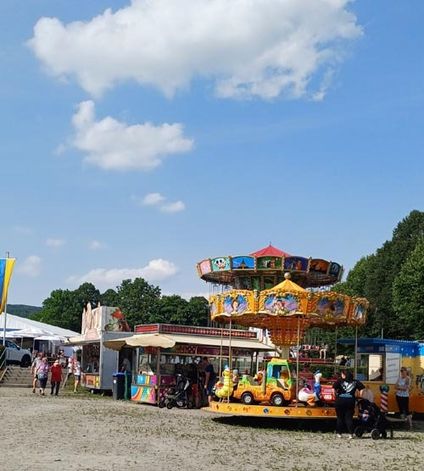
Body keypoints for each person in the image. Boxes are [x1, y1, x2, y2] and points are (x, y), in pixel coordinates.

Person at [333, 370, 365, 438]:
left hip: (340, 401)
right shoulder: (355, 382)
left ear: (345, 375)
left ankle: (339, 433)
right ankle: (351, 434)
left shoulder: (340, 381)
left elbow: (333, 389)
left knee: (340, 418)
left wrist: (335, 396)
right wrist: (360, 396)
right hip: (350, 401)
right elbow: (362, 389)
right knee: (349, 418)